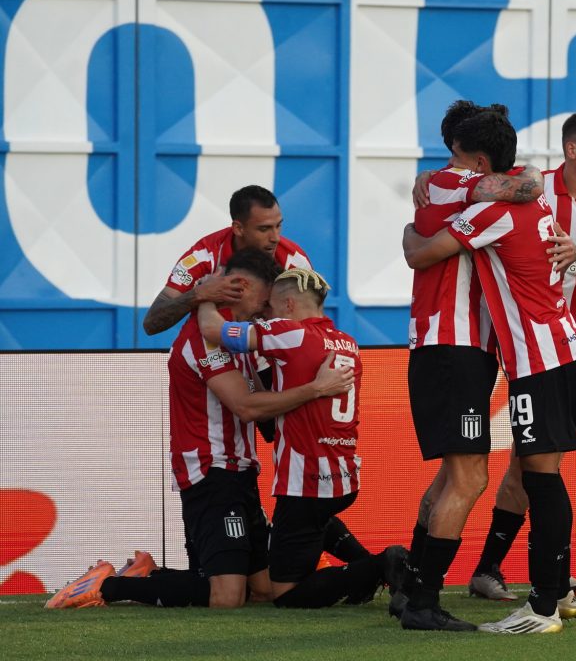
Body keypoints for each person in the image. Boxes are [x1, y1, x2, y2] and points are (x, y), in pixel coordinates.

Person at [46, 250, 350, 610]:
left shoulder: (241, 336)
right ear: (241, 288)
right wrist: (316, 390)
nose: (267, 309)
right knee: (227, 598)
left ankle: (142, 575)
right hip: (211, 472)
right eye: (264, 299)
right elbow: (246, 407)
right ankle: (108, 586)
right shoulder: (204, 337)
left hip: (240, 472)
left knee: (265, 589)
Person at [404, 108, 576, 633]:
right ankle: (430, 595)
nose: (446, 165)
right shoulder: (512, 193)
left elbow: (422, 254)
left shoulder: (490, 206)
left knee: (538, 479)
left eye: (456, 154)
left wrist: (406, 236)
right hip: (537, 352)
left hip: (539, 355)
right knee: (521, 477)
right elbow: (528, 183)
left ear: (480, 162)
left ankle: (545, 605)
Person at [467, 109, 576, 601]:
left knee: (537, 461)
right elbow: (475, 191)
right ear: (571, 150)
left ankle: (503, 569)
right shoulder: (532, 189)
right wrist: (426, 180)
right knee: (539, 462)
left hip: (575, 348)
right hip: (529, 346)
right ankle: (541, 580)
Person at [196, 267, 406, 609]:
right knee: (316, 522)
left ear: (289, 305)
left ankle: (381, 565)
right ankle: (379, 569)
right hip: (343, 476)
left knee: (286, 593)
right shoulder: (348, 343)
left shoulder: (289, 332)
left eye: (272, 308)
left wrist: (204, 294)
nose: (267, 316)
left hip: (305, 480)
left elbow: (212, 330)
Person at [142, 184, 311, 336]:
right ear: (238, 228)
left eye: (278, 225)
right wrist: (200, 294)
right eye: (264, 229)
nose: (275, 238)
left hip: (267, 355)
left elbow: (311, 328)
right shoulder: (204, 256)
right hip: (212, 354)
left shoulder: (294, 262)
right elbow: (151, 324)